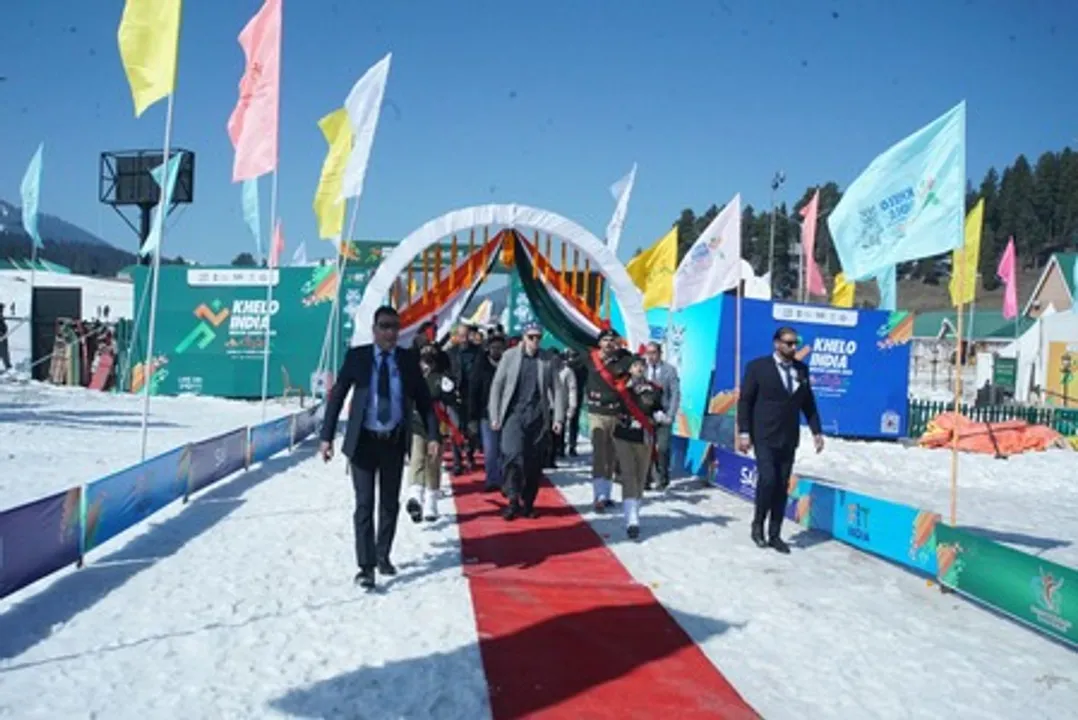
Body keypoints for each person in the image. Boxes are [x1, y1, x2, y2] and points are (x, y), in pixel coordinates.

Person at [320, 305, 440, 590]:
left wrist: (433, 435)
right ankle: (366, 567)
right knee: (364, 504)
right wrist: (326, 438)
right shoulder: (358, 357)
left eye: (394, 327)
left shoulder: (407, 360)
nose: (390, 332)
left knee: (388, 504)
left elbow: (424, 402)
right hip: (363, 442)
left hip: (393, 442)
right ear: (374, 330)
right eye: (384, 326)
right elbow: (337, 397)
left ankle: (383, 554)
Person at [737, 326, 824, 554]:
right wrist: (744, 432)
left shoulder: (801, 370)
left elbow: (808, 404)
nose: (793, 347)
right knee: (767, 479)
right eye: (788, 343)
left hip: (788, 436)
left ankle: (775, 533)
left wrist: (816, 431)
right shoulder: (758, 367)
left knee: (781, 485)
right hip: (764, 434)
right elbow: (745, 401)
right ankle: (758, 525)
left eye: (795, 343)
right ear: (777, 343)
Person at [487, 322, 567, 520]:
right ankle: (513, 499)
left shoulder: (547, 359)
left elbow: (557, 389)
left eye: (538, 337)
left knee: (533, 463)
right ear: (524, 337)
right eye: (531, 337)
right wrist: (495, 415)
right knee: (513, 455)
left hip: (538, 417)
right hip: (514, 414)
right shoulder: (510, 356)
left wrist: (558, 418)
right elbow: (497, 385)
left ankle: (528, 502)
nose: (535, 341)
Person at [612, 355, 663, 540]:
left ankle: (635, 510)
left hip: (644, 436)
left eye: (642, 365)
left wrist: (659, 415)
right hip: (624, 435)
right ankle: (631, 519)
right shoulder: (621, 388)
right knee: (629, 474)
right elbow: (613, 407)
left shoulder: (654, 389)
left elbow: (658, 407)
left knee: (641, 477)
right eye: (635, 366)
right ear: (629, 369)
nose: (639, 368)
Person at [405, 346, 455, 523]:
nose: (426, 365)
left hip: (438, 426)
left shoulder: (440, 379)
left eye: (430, 361)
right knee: (417, 458)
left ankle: (431, 502)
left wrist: (449, 391)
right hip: (417, 425)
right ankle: (415, 496)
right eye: (424, 361)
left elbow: (450, 401)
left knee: (433, 463)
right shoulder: (413, 378)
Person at [583, 329, 632, 511]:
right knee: (599, 453)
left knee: (612, 456)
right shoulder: (590, 359)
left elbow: (635, 364)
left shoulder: (623, 360)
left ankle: (607, 493)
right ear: (599, 342)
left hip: (616, 413)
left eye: (612, 340)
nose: (609, 343)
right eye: (605, 340)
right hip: (597, 412)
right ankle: (598, 495)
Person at [468, 332, 506, 492]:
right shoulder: (481, 365)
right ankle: (492, 479)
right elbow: (473, 391)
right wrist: (472, 417)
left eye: (499, 348)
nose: (496, 350)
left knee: (505, 448)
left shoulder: (508, 364)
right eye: (493, 347)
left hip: (505, 412)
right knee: (490, 449)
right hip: (486, 413)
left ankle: (506, 479)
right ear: (488, 348)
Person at [643, 342, 680, 490]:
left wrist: (670, 415)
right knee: (646, 447)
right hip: (646, 415)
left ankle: (663, 476)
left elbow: (675, 394)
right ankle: (646, 478)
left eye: (653, 353)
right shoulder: (643, 369)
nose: (651, 356)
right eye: (648, 353)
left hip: (663, 415)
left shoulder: (669, 370)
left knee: (663, 448)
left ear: (660, 354)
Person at [446, 324, 480, 474]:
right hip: (455, 395)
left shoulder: (478, 352)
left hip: (472, 396)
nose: (464, 338)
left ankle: (470, 454)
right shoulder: (451, 353)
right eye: (461, 336)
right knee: (456, 429)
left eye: (466, 335)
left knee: (472, 429)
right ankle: (457, 462)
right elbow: (446, 372)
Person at [553, 350, 578, 460]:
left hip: (562, 404)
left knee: (560, 429)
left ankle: (560, 449)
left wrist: (572, 406)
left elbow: (572, 389)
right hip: (548, 405)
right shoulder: (546, 369)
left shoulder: (567, 371)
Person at [564, 348, 587, 456]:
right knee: (572, 421)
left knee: (568, 420)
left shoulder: (570, 365)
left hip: (572, 393)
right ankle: (571, 445)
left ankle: (567, 445)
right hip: (574, 393)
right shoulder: (582, 365)